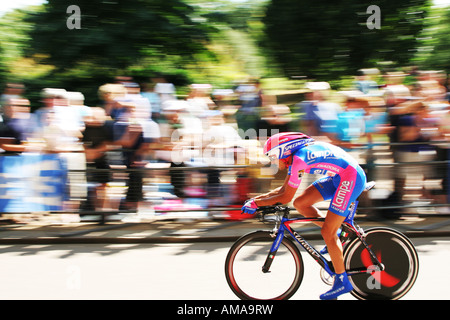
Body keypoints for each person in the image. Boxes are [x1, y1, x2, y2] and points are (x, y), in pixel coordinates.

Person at [241, 132, 367, 300]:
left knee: (326, 232)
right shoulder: (295, 159)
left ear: (283, 152)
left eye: (272, 156)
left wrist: (257, 204)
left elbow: (285, 197)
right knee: (301, 203)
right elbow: (283, 191)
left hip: (350, 178)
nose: (272, 161)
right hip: (339, 177)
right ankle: (336, 236)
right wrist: (255, 200)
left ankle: (342, 281)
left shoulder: (299, 160)